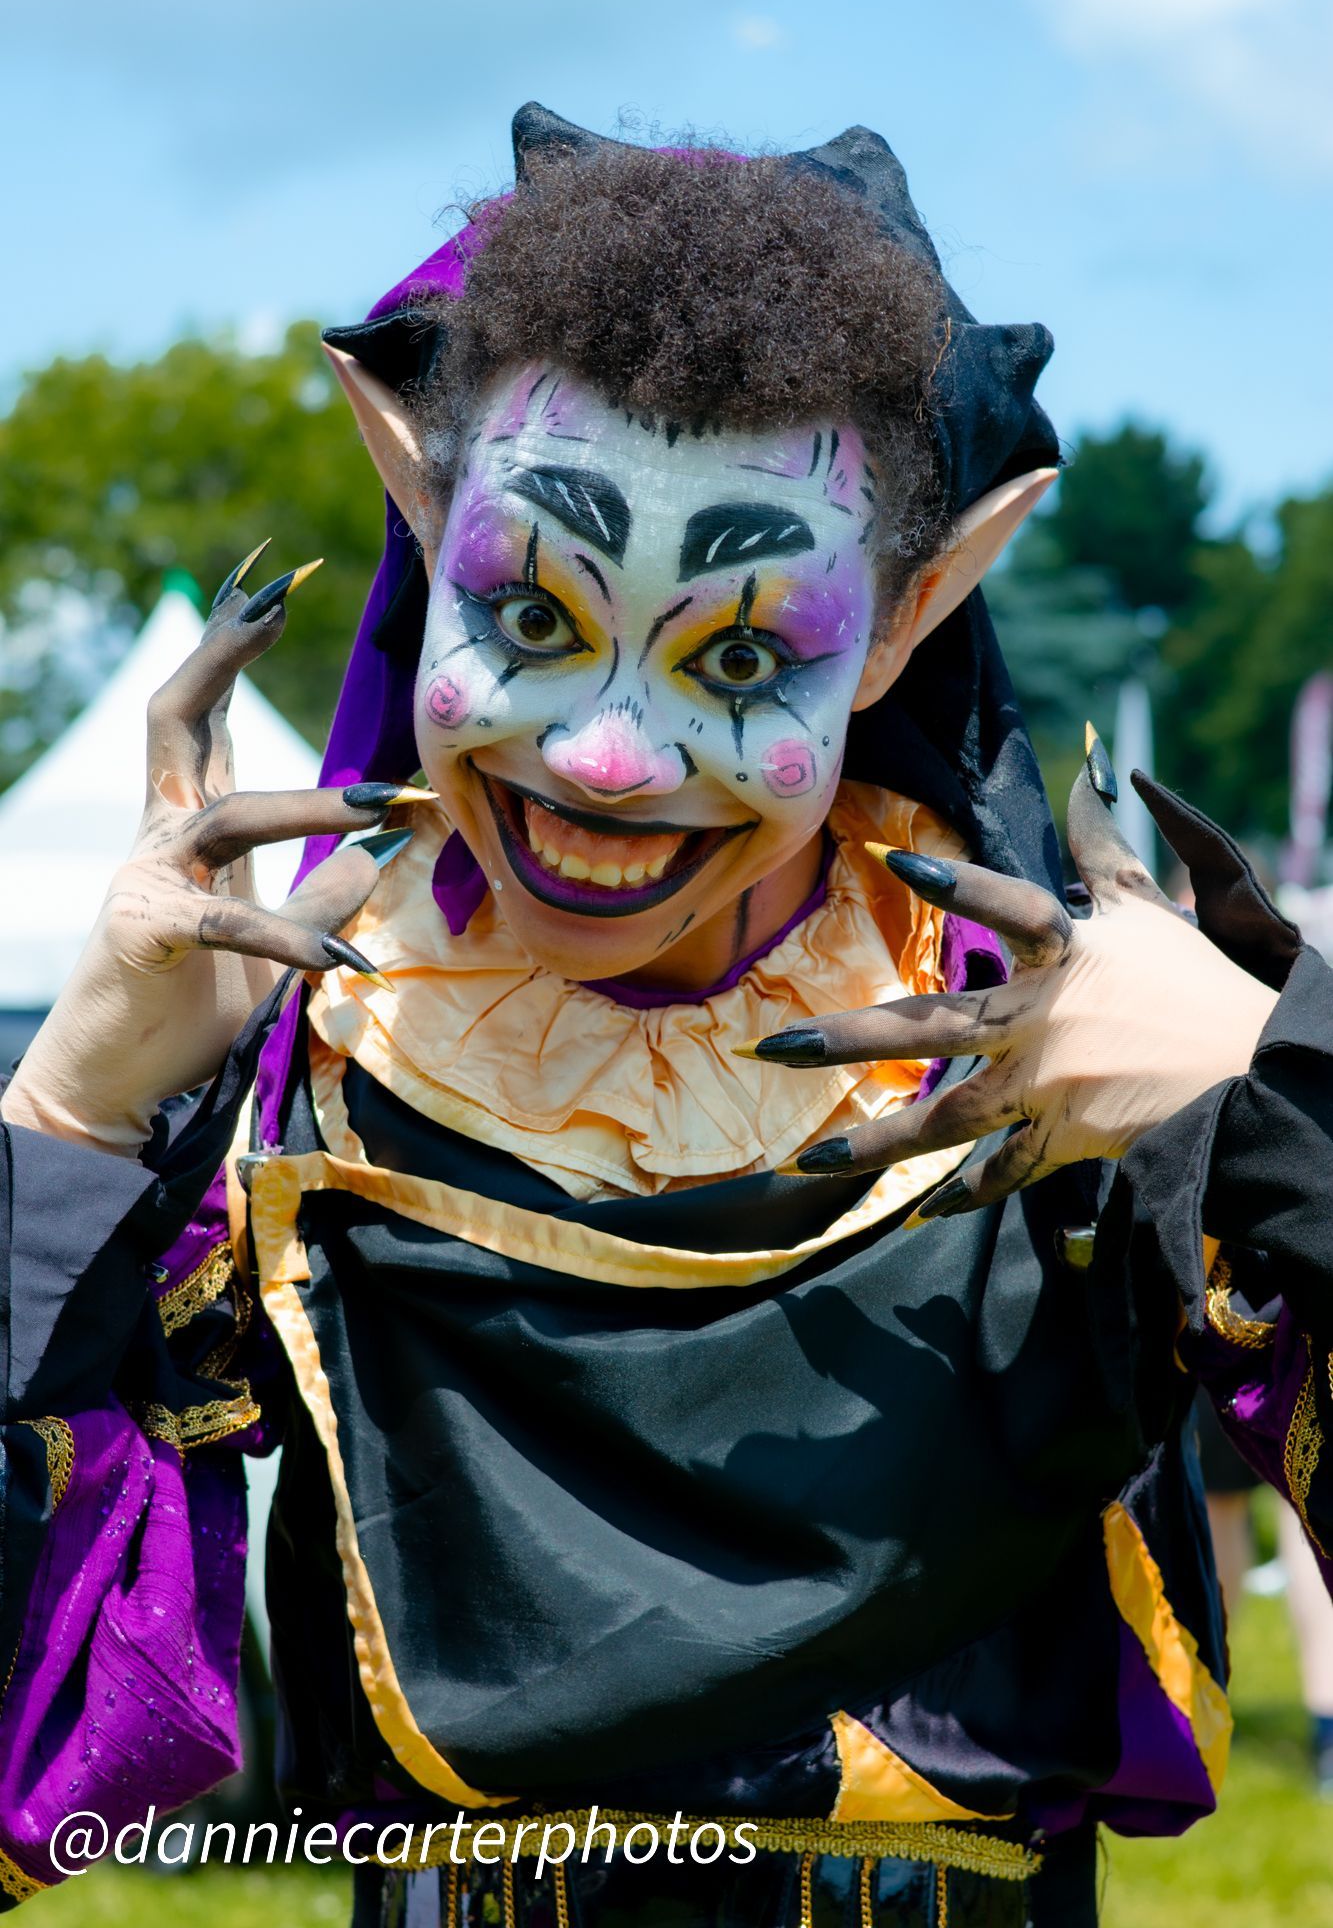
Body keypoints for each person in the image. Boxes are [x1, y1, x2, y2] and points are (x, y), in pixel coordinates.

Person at [2, 106, 1331, 1928]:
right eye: (525, 615)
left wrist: (1268, 1105)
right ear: (414, 495)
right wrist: (68, 1122)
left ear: (907, 613)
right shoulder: (301, 1058)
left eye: (739, 652)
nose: (606, 758)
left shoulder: (1055, 1042)